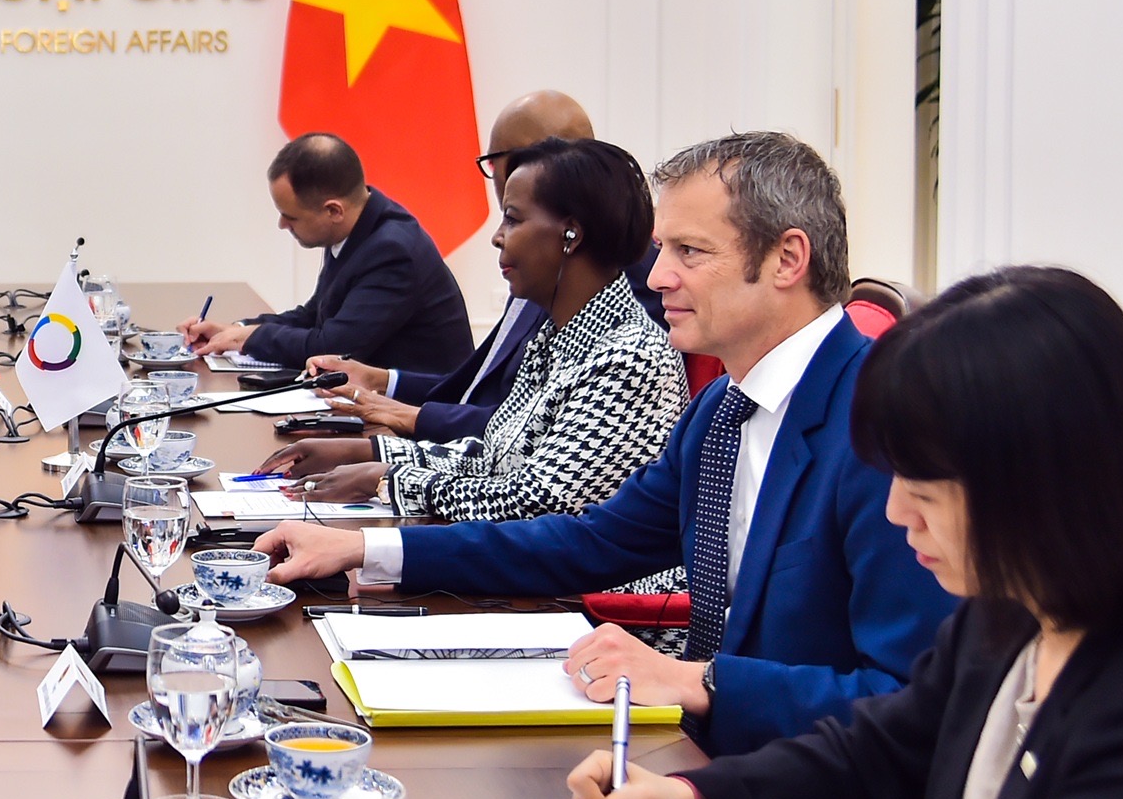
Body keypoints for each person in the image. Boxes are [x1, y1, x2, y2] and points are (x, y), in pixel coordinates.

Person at [567, 267, 1123, 799]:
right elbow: (879, 756)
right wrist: (692, 794)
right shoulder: (1015, 611)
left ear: (1041, 488)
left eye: (924, 488)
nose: (895, 513)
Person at [255, 133, 958, 754]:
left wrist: (698, 683)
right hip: (700, 766)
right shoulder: (722, 409)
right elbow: (589, 541)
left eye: (689, 252)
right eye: (662, 249)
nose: (656, 277)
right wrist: (366, 548)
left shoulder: (885, 428)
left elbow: (910, 704)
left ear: (787, 259)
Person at [260, 139, 685, 527]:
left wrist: (386, 478)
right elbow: (496, 459)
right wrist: (367, 452)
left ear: (570, 235)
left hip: (582, 584)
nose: (498, 238)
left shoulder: (631, 358)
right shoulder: (554, 337)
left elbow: (536, 502)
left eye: (512, 219)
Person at [307, 90, 657, 444]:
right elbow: (483, 387)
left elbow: (533, 430)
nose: (498, 237)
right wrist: (381, 382)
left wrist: (406, 426)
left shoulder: (619, 274)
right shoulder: (537, 270)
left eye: (493, 165)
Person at [180, 132, 470, 377]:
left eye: (291, 216)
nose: (282, 225)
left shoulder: (392, 251)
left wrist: (251, 338)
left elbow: (333, 349)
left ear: (333, 211)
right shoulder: (357, 228)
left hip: (420, 410)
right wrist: (237, 329)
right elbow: (315, 316)